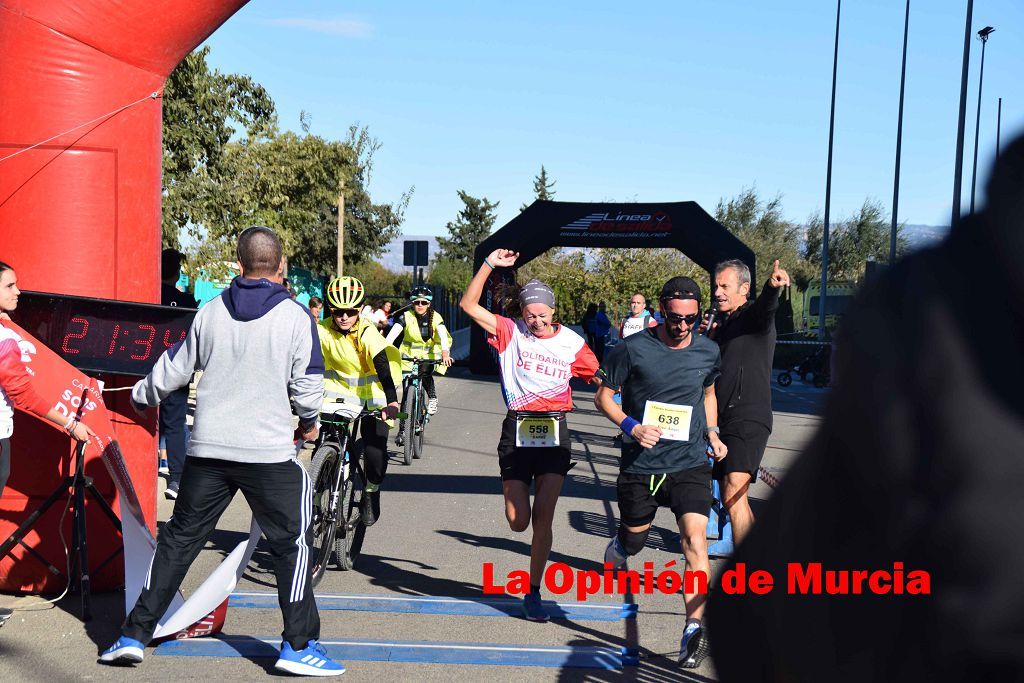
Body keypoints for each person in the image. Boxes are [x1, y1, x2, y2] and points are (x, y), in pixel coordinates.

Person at [706, 135, 1024, 682]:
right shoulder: (927, 304)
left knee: (741, 497)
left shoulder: (928, 309)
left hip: (934, 633)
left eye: (721, 287)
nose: (715, 295)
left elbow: (746, 626)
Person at [99, 227, 344, 676]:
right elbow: (308, 388)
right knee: (293, 544)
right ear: (281, 265)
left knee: (179, 541)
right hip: (267, 454)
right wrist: (308, 423)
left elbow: (174, 368)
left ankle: (133, 635)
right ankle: (299, 646)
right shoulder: (295, 317)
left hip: (209, 451)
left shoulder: (210, 312)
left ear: (239, 263)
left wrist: (139, 395)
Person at [460, 249, 599, 622]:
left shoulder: (572, 342)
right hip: (517, 428)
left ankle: (533, 591)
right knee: (518, 521)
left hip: (555, 431)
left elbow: (598, 374)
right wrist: (488, 265)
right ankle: (513, 493)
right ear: (521, 313)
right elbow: (468, 305)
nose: (536, 321)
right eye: (530, 314)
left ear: (554, 312)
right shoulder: (509, 331)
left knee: (543, 520)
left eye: (542, 314)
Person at [595, 275, 726, 669]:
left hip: (689, 462)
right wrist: (630, 425)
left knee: (695, 541)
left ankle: (692, 628)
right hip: (641, 465)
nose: (683, 326)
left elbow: (708, 393)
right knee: (634, 541)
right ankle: (619, 548)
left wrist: (714, 433)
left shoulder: (707, 350)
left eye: (691, 318)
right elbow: (602, 396)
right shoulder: (632, 349)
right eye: (675, 318)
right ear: (661, 310)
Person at [0, 261, 96, 629]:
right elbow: (23, 395)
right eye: (10, 286)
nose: (18, 292)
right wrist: (71, 424)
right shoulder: (6, 340)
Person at [706, 258, 789, 545]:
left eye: (724, 286)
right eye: (715, 285)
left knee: (732, 492)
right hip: (722, 421)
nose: (717, 292)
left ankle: (746, 580)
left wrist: (772, 287)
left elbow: (767, 308)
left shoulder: (754, 317)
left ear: (744, 288)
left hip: (748, 415)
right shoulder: (722, 325)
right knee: (732, 498)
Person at [318, 276, 401, 527]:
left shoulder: (366, 331)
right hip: (336, 396)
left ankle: (371, 492)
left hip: (374, 398)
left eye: (350, 312)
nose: (344, 317)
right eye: (338, 312)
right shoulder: (322, 330)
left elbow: (383, 367)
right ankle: (318, 490)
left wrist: (393, 402)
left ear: (359, 310)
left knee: (375, 454)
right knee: (324, 441)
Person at [158, 248, 198, 500]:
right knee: (174, 424)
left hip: (143, 369)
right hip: (176, 370)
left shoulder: (146, 295)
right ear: (177, 272)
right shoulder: (186, 302)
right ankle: (176, 479)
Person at [385, 286, 453, 431]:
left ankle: (433, 398)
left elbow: (442, 335)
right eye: (417, 303)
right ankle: (403, 429)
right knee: (406, 393)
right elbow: (392, 335)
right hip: (408, 356)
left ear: (429, 304)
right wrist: (383, 349)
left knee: (425, 372)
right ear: (412, 303)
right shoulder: (406, 316)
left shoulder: (436, 317)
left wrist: (445, 353)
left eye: (424, 302)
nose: (420, 305)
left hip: (429, 354)